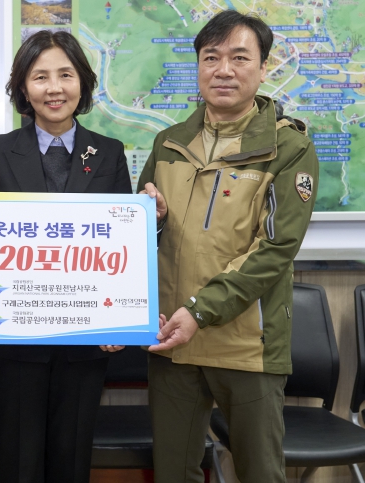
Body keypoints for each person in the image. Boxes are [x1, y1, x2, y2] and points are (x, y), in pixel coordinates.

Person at [138, 10, 319, 483]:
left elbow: (275, 248)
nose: (223, 70)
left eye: (239, 58)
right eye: (211, 57)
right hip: (172, 342)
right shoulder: (167, 143)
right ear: (198, 66)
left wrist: (199, 311)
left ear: (263, 68)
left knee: (260, 473)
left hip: (246, 345)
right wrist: (152, 221)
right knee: (172, 472)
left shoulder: (288, 147)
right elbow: (138, 239)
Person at [0, 30, 131, 483]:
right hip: (14, 342)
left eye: (66, 75)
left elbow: (122, 246)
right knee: (18, 463)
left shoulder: (110, 153)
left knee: (72, 461)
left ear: (83, 83)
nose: (54, 88)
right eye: (40, 77)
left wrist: (120, 319)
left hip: (86, 342)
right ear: (23, 87)